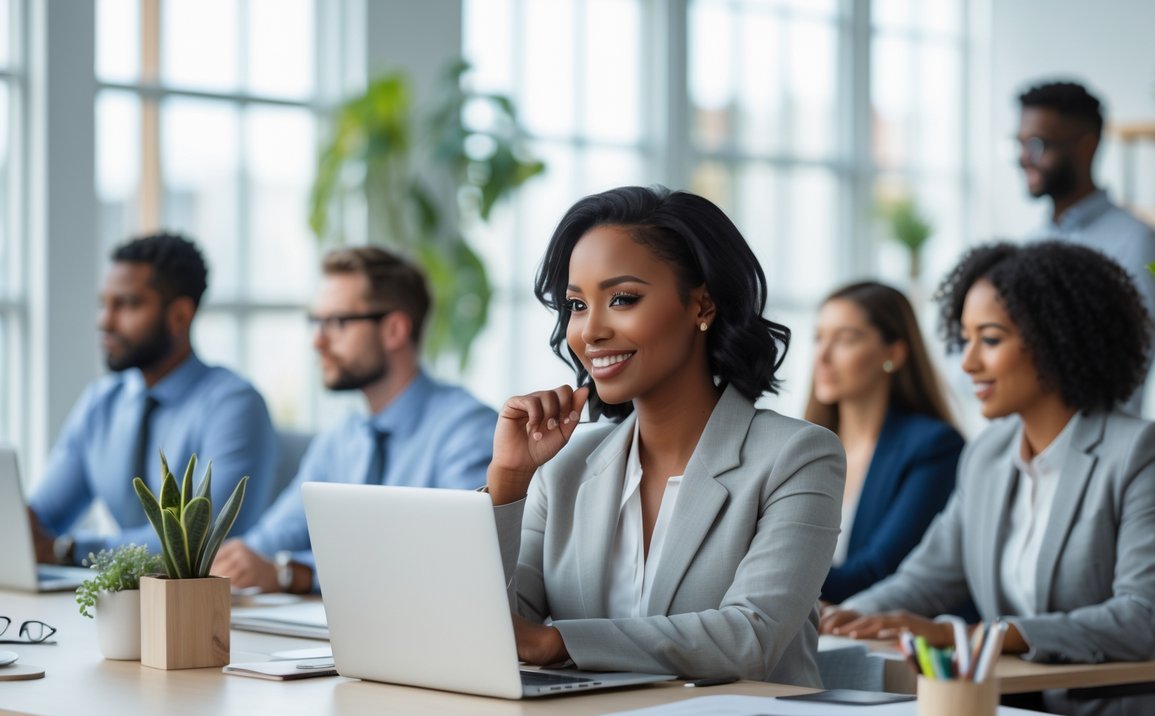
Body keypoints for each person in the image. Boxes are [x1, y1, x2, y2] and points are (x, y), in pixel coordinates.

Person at [486, 185, 845, 687]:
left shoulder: (797, 456)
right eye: (577, 305)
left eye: (622, 299)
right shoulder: (564, 468)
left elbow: (751, 636)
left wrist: (557, 642)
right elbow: (488, 625)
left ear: (701, 305)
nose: (589, 332)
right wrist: (508, 480)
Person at [821, 241, 1155, 716]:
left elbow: (1141, 619)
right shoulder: (987, 455)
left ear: (1057, 340)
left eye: (990, 340)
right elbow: (926, 578)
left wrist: (980, 636)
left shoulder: (1142, 450)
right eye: (965, 339)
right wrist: (841, 619)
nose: (968, 363)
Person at [210, 245, 497, 593]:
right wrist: (237, 561)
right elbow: (272, 538)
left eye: (338, 322)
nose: (317, 340)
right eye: (316, 322)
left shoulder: (467, 431)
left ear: (394, 330)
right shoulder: (340, 440)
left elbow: (451, 560)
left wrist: (292, 574)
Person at [27, 232, 276, 566]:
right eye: (103, 304)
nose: (105, 321)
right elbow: (39, 521)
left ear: (180, 316)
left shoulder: (234, 405)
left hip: (198, 607)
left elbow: (200, 543)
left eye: (127, 304)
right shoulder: (101, 402)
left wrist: (69, 551)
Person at [805, 281, 963, 604]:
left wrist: (768, 569)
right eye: (819, 338)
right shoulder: (803, 448)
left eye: (845, 339)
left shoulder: (934, 447)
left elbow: (877, 573)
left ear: (894, 353)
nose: (822, 356)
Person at [1016, 80, 1155, 402]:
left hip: (1106, 445)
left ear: (1086, 146)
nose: (1022, 158)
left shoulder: (1140, 243)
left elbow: (1127, 369)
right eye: (1018, 144)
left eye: (1037, 145)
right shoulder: (1027, 245)